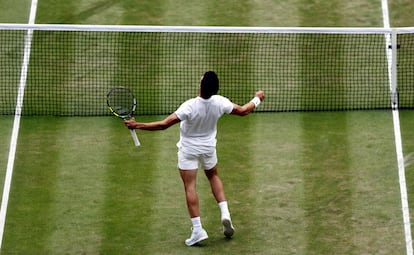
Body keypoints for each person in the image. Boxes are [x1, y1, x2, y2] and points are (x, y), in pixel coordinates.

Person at [124, 71, 265, 246]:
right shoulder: (221, 102)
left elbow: (163, 125)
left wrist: (137, 125)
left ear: (201, 85)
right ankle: (225, 214)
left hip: (188, 150)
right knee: (213, 175)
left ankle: (198, 230)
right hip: (208, 148)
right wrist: (257, 98)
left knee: (190, 186)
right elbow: (244, 111)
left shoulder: (189, 106)